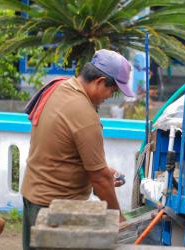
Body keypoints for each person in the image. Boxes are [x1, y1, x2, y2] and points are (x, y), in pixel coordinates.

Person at [21, 49, 134, 250]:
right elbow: (99, 180)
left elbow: (60, 149)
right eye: (113, 90)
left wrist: (103, 172)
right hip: (54, 208)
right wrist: (120, 221)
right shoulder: (85, 115)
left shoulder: (59, 87)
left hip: (33, 196)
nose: (110, 97)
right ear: (99, 81)